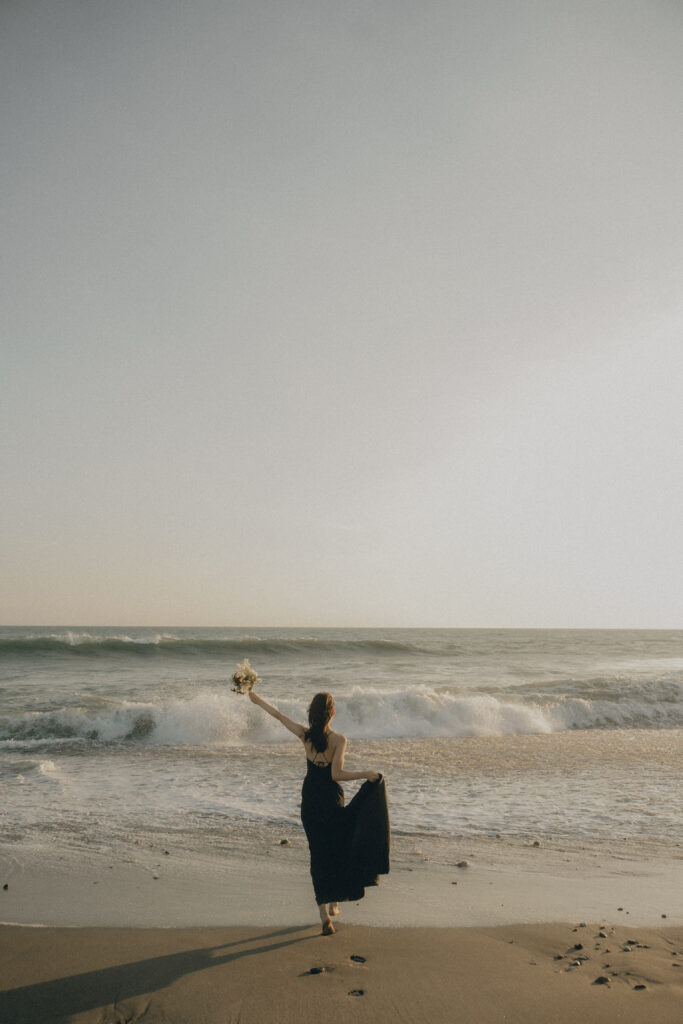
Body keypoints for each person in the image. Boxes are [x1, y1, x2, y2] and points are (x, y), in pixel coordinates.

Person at [248, 687, 388, 935]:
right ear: (331, 714)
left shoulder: (305, 735)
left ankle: (325, 913)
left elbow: (279, 716)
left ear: (312, 713)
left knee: (317, 852)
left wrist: (257, 700)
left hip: (310, 802)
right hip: (331, 800)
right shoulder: (339, 740)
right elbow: (336, 775)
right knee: (338, 846)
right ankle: (334, 902)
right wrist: (366, 774)